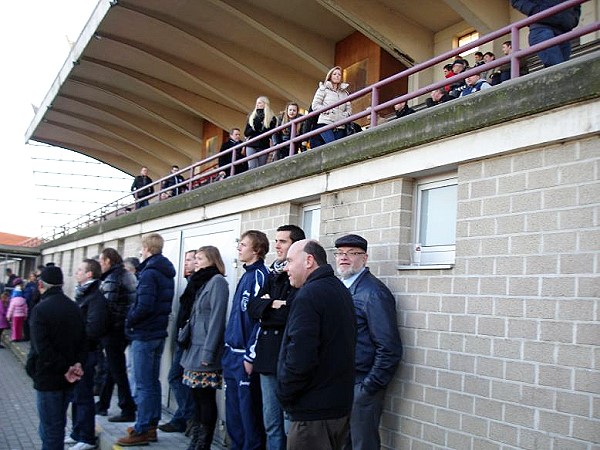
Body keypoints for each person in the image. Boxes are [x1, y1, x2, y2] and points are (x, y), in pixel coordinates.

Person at [277, 240, 356, 450]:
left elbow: (301, 357)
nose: (285, 268)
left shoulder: (310, 295)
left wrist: (284, 392)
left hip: (313, 415)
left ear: (309, 260)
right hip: (335, 409)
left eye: (290, 261)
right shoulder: (338, 289)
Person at [334, 234, 402, 450]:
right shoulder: (341, 288)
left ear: (365, 258)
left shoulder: (373, 293)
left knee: (363, 445)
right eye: (340, 253)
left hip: (361, 384)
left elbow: (389, 348)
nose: (344, 258)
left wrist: (369, 387)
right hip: (342, 383)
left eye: (352, 253)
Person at [247, 224, 306, 450]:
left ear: (296, 246)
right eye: (277, 240)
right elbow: (252, 309)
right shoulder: (273, 273)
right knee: (270, 422)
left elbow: (291, 315)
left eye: (283, 241)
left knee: (288, 423)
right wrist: (272, 303)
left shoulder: (301, 277)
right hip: (267, 358)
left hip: (288, 359)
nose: (277, 245)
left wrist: (267, 307)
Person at [117, 233, 176, 446]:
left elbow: (144, 306)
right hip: (157, 333)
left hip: (145, 334)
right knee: (152, 382)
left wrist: (129, 320)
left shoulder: (150, 273)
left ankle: (142, 429)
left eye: (142, 249)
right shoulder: (164, 271)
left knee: (143, 384)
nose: (140, 253)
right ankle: (151, 425)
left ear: (147, 249)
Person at [25, 266, 85, 450]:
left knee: (50, 431)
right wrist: (75, 365)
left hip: (49, 377)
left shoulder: (40, 310)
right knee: (57, 427)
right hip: (70, 379)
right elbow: (83, 341)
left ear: (41, 284)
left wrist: (65, 367)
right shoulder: (74, 307)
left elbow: (42, 349)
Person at [222, 230, 270, 450]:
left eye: (243, 244)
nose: (239, 248)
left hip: (245, 357)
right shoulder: (245, 276)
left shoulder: (261, 276)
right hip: (231, 354)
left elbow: (262, 320)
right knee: (232, 411)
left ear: (257, 249)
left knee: (247, 412)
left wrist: (251, 354)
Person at [180, 246, 229, 450]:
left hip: (205, 351)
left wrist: (209, 352)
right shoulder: (203, 282)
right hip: (194, 348)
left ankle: (203, 443)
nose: (196, 261)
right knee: (196, 397)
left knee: (205, 398)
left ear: (211, 259)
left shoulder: (217, 282)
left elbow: (217, 318)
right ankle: (196, 439)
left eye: (199, 258)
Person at [65, 259, 109, 450]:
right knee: (76, 394)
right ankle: (76, 432)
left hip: (87, 353)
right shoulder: (83, 294)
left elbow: (94, 328)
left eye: (80, 269)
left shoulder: (96, 298)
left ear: (89, 274)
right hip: (78, 352)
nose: (76, 272)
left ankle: (87, 437)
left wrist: (77, 338)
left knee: (83, 395)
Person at [96, 248, 137, 422]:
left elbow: (108, 308)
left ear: (107, 261)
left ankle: (127, 408)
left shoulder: (113, 278)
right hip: (123, 328)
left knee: (117, 370)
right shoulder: (125, 274)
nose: (99, 265)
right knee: (114, 368)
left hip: (114, 330)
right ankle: (103, 404)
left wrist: (100, 330)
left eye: (100, 261)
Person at [158, 250, 197, 434]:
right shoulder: (190, 283)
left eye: (190, 260)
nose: (186, 263)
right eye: (186, 260)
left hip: (189, 341)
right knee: (179, 378)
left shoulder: (197, 284)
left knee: (175, 377)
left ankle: (188, 416)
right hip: (183, 338)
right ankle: (182, 418)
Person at [511, 0, 581, 68]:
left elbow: (577, 5)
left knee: (562, 69)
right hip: (542, 27)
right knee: (558, 68)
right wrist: (536, 10)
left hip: (564, 30)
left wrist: (573, 19)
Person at [311, 66, 352, 147]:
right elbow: (315, 105)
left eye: (339, 75)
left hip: (340, 125)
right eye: (335, 74)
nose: (337, 76)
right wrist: (326, 110)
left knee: (338, 149)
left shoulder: (345, 93)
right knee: (332, 146)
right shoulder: (323, 89)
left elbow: (349, 109)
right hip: (325, 123)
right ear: (330, 76)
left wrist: (344, 115)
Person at [244, 97, 277, 169]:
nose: (257, 105)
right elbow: (246, 133)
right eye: (256, 103)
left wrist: (263, 124)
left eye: (259, 103)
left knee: (260, 167)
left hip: (263, 145)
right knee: (252, 166)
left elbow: (270, 133)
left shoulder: (271, 117)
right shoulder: (252, 116)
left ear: (265, 104)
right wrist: (255, 126)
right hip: (252, 144)